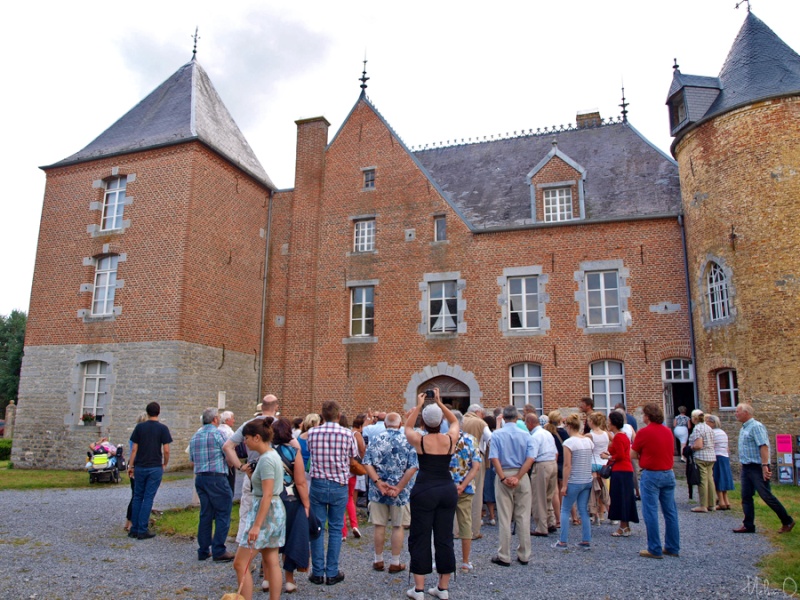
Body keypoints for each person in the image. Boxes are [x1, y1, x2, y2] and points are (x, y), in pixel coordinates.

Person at [404, 390, 459, 600]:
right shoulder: (450, 439)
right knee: (445, 537)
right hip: (447, 489)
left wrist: (418, 406)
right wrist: (440, 403)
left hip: (425, 489)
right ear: (441, 421)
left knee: (420, 536)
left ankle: (419, 589)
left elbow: (407, 427)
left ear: (425, 423)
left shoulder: (420, 441)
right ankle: (442, 587)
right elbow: (455, 422)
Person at [232, 418, 286, 600]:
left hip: (265, 514)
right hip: (274, 512)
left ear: (256, 437)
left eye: (246, 438)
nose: (244, 442)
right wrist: (251, 474)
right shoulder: (270, 457)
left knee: (240, 564)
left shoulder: (266, 460)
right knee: (271, 561)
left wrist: (256, 526)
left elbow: (267, 494)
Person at [307, 400, 357, 586]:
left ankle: (318, 572)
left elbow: (311, 453)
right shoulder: (347, 434)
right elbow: (353, 457)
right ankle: (332, 571)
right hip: (339, 484)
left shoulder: (312, 432)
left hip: (318, 483)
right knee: (336, 528)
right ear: (338, 415)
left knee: (317, 528)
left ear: (322, 415)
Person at [362, 412, 418, 574]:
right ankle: (395, 561)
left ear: (385, 425)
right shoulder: (408, 441)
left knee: (379, 526)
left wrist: (378, 483)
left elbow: (367, 463)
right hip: (400, 492)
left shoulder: (376, 439)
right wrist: (399, 487)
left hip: (378, 490)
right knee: (398, 526)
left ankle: (378, 560)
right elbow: (413, 467)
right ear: (400, 425)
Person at [733, 403, 795, 534]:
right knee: (746, 496)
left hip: (757, 467)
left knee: (766, 495)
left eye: (738, 411)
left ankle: (787, 520)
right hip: (747, 467)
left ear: (746, 413)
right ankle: (748, 525)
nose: (735, 414)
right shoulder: (744, 428)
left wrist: (765, 466)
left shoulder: (756, 427)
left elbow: (763, 446)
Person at [631, 403, 680, 559]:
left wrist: (641, 456)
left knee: (650, 511)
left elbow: (632, 454)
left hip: (651, 474)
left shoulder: (644, 432)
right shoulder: (667, 431)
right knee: (670, 512)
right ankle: (672, 546)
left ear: (647, 416)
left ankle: (654, 548)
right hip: (668, 473)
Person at [489, 405, 535, 567]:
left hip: (504, 473)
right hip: (521, 475)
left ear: (504, 417)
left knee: (504, 516)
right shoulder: (526, 435)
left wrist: (503, 478)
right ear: (517, 418)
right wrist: (518, 477)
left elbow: (494, 458)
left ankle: (504, 555)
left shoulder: (497, 434)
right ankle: (524, 554)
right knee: (523, 516)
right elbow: (530, 458)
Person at [271, 417, 311, 594]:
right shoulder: (294, 452)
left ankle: (267, 579)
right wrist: (307, 504)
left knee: (270, 539)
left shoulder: (266, 452)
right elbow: (301, 482)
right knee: (289, 539)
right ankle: (288, 579)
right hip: (290, 499)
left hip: (270, 499)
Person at [189, 408, 234, 562]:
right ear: (215, 419)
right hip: (216, 477)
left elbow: (192, 458)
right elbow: (228, 453)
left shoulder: (195, 436)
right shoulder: (218, 434)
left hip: (200, 477)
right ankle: (219, 550)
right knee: (223, 512)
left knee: (206, 513)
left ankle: (203, 549)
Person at [127, 401, 172, 540]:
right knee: (148, 497)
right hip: (154, 466)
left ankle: (134, 528)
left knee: (138, 496)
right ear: (159, 412)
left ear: (147, 412)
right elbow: (166, 450)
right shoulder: (163, 428)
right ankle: (142, 529)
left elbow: (134, 448)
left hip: (140, 466)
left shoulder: (140, 428)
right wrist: (165, 463)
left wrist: (131, 465)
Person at [553, 413, 593, 550]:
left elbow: (567, 465)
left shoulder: (569, 442)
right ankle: (586, 540)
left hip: (575, 480)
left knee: (565, 510)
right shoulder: (588, 441)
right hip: (587, 479)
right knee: (583, 510)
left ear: (569, 426)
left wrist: (564, 485)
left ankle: (563, 541)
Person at [448, 411, 481, 573]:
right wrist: (463, 485)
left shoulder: (443, 439)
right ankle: (466, 561)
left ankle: (442, 559)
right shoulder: (470, 440)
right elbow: (476, 466)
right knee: (465, 523)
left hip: (445, 487)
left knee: (443, 524)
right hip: (465, 488)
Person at [602, 411, 639, 537]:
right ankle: (625, 526)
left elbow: (620, 456)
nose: (608, 423)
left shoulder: (618, 437)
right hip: (625, 470)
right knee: (624, 498)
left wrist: (609, 456)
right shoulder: (622, 436)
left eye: (609, 421)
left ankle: (623, 527)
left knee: (620, 498)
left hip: (621, 470)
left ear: (613, 423)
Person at [461, 404, 492, 540]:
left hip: (460, 459)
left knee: (459, 493)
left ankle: (457, 530)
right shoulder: (480, 423)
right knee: (476, 493)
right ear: (478, 412)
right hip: (476, 459)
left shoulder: (459, 421)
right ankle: (474, 530)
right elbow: (490, 439)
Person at [527, 413, 558, 537]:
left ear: (530, 422)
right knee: (548, 496)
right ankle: (551, 522)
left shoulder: (535, 436)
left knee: (539, 497)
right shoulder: (547, 433)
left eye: (525, 422)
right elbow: (555, 452)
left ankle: (541, 527)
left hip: (541, 465)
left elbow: (532, 456)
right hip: (552, 464)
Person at [688, 409, 717, 513]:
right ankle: (712, 504)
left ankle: (703, 505)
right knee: (710, 479)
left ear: (694, 418)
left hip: (701, 456)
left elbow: (698, 445)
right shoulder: (708, 427)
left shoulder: (698, 428)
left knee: (702, 481)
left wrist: (691, 447)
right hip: (711, 455)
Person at [341, 413, 364, 541]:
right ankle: (354, 525)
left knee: (340, 502)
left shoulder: (334, 434)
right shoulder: (350, 435)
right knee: (350, 499)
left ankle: (343, 532)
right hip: (350, 473)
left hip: (338, 474)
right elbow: (355, 454)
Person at [125, 412, 148, 532]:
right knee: (137, 495)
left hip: (134, 463)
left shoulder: (135, 434)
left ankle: (129, 521)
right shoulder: (140, 435)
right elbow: (134, 450)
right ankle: (132, 521)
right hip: (137, 464)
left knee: (135, 494)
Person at [706, 415, 734, 511]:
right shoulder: (723, 432)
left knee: (717, 478)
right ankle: (726, 501)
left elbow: (710, 445)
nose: (706, 424)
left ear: (713, 423)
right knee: (724, 478)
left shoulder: (713, 433)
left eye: (708, 422)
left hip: (717, 456)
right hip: (724, 456)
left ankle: (721, 502)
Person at [587, 412, 611, 524]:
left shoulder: (590, 435)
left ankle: (595, 515)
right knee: (604, 490)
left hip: (593, 463)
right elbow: (613, 440)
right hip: (604, 463)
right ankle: (610, 514)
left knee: (594, 491)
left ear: (591, 422)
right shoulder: (606, 433)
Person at [544, 410, 565, 529]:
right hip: (563, 463)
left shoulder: (547, 432)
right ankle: (567, 516)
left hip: (553, 462)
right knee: (564, 491)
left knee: (554, 493)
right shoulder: (564, 432)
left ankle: (556, 518)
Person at [482, 414, 498, 526]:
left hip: (488, 463)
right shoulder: (496, 434)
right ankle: (492, 516)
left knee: (486, 489)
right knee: (491, 489)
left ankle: (488, 515)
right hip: (495, 463)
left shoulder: (488, 435)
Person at [218, 411, 236, 495]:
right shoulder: (229, 432)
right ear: (227, 420)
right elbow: (231, 448)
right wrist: (232, 462)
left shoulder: (217, 430)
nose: (234, 421)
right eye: (232, 419)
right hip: (228, 462)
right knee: (229, 486)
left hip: (219, 463)